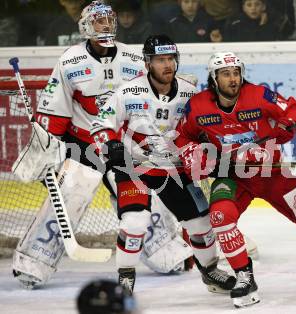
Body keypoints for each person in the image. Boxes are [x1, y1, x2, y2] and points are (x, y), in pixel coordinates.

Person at [174, 52, 296, 308]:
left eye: (236, 72)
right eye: (226, 74)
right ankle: (245, 277)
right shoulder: (198, 106)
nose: (233, 79)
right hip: (233, 176)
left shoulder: (259, 95)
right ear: (214, 78)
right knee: (220, 217)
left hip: (273, 172)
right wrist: (193, 152)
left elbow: (293, 112)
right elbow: (182, 136)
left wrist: (288, 125)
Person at [11, 1, 187, 289]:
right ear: (85, 26)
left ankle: (168, 254)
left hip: (122, 145)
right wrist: (47, 150)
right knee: (69, 197)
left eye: (108, 20)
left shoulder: (133, 58)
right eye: (97, 21)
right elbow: (55, 109)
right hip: (84, 145)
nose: (105, 26)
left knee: (141, 202)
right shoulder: (70, 61)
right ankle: (33, 263)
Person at [89, 34, 236, 294]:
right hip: (134, 166)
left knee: (202, 225)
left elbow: (207, 126)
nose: (167, 65)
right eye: (160, 60)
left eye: (170, 59)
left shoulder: (191, 93)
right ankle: (125, 279)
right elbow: (101, 124)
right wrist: (110, 144)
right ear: (147, 63)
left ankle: (210, 271)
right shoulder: (127, 91)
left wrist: (212, 148)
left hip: (175, 169)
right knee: (135, 222)